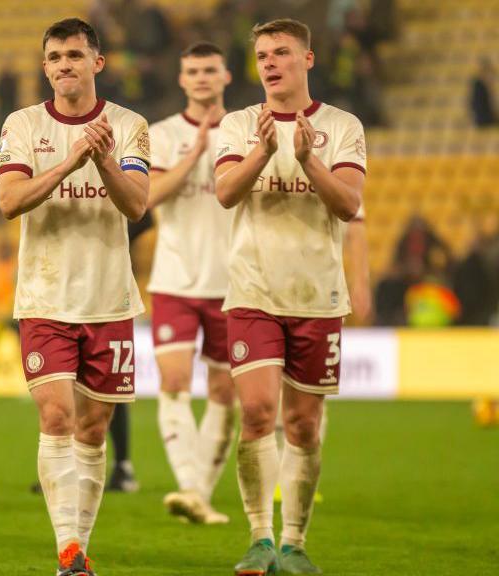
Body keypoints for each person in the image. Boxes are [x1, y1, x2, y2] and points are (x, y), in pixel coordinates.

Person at [0, 18, 150, 576]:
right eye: (55, 57)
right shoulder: (23, 124)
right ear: (45, 67)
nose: (65, 65)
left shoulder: (128, 125)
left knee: (93, 429)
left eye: (75, 55)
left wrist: (103, 158)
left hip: (109, 298)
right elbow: (9, 201)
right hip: (44, 297)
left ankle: (79, 547)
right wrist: (69, 162)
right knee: (56, 415)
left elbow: (135, 205)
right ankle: (67, 550)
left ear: (97, 63)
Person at [214, 19, 366, 575]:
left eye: (281, 52)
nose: (270, 63)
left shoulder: (342, 127)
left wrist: (307, 160)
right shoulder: (237, 125)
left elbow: (349, 204)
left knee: (302, 426)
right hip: (254, 290)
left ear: (308, 58)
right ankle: (259, 539)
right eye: (261, 55)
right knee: (256, 411)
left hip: (318, 295)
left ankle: (295, 544)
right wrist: (261, 153)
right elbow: (226, 193)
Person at [146, 41, 235, 525]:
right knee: (174, 382)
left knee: (224, 393)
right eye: (192, 70)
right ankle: (189, 486)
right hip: (175, 278)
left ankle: (199, 493)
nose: (200, 77)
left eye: (209, 70)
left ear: (225, 76)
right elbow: (148, 195)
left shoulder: (243, 130)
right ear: (181, 80)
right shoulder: (161, 135)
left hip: (233, 282)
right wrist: (194, 154)